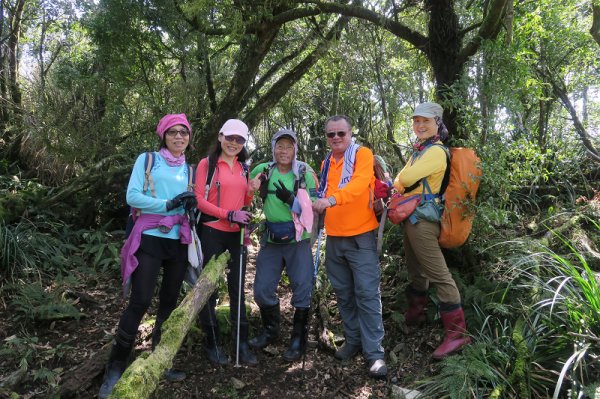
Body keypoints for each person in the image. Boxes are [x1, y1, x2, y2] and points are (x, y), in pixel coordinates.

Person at [99, 114, 198, 398]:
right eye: (173, 132)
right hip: (150, 238)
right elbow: (132, 196)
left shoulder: (189, 170)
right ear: (163, 135)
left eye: (184, 133)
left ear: (189, 137)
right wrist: (167, 203)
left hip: (178, 240)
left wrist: (191, 206)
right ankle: (114, 368)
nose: (179, 137)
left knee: (169, 300)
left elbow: (190, 205)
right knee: (140, 301)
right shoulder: (148, 160)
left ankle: (160, 359)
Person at [393, 102, 471, 359]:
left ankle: (457, 334)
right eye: (417, 121)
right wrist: (401, 182)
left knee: (439, 274)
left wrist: (402, 182)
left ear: (438, 123)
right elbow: (398, 180)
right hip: (411, 218)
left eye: (426, 121)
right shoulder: (419, 151)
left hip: (423, 221)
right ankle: (416, 315)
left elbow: (402, 181)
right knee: (416, 270)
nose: (420, 125)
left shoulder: (436, 152)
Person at [312, 115, 387, 378]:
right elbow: (319, 193)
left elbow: (357, 187)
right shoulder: (325, 164)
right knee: (344, 294)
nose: (336, 138)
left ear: (350, 133)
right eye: (331, 134)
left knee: (367, 294)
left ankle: (374, 353)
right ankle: (353, 340)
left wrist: (331, 200)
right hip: (334, 238)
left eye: (340, 133)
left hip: (361, 237)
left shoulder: (362, 155)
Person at [247, 129, 317, 361]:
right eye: (279, 146)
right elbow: (248, 192)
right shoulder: (263, 170)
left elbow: (313, 208)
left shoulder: (304, 173)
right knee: (262, 289)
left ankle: (298, 339)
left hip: (298, 238)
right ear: (273, 148)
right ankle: (271, 330)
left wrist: (293, 201)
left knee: (302, 288)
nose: (283, 151)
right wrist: (253, 188)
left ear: (295, 149)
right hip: (272, 238)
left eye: (288, 146)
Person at [193, 119, 258, 366]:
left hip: (237, 234)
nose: (234, 143)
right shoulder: (207, 165)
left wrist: (251, 191)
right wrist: (227, 215)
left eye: (239, 139)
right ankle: (212, 342)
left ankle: (240, 344)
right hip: (211, 231)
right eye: (230, 137)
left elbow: (245, 202)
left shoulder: (244, 168)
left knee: (237, 288)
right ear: (220, 137)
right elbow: (198, 199)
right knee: (208, 286)